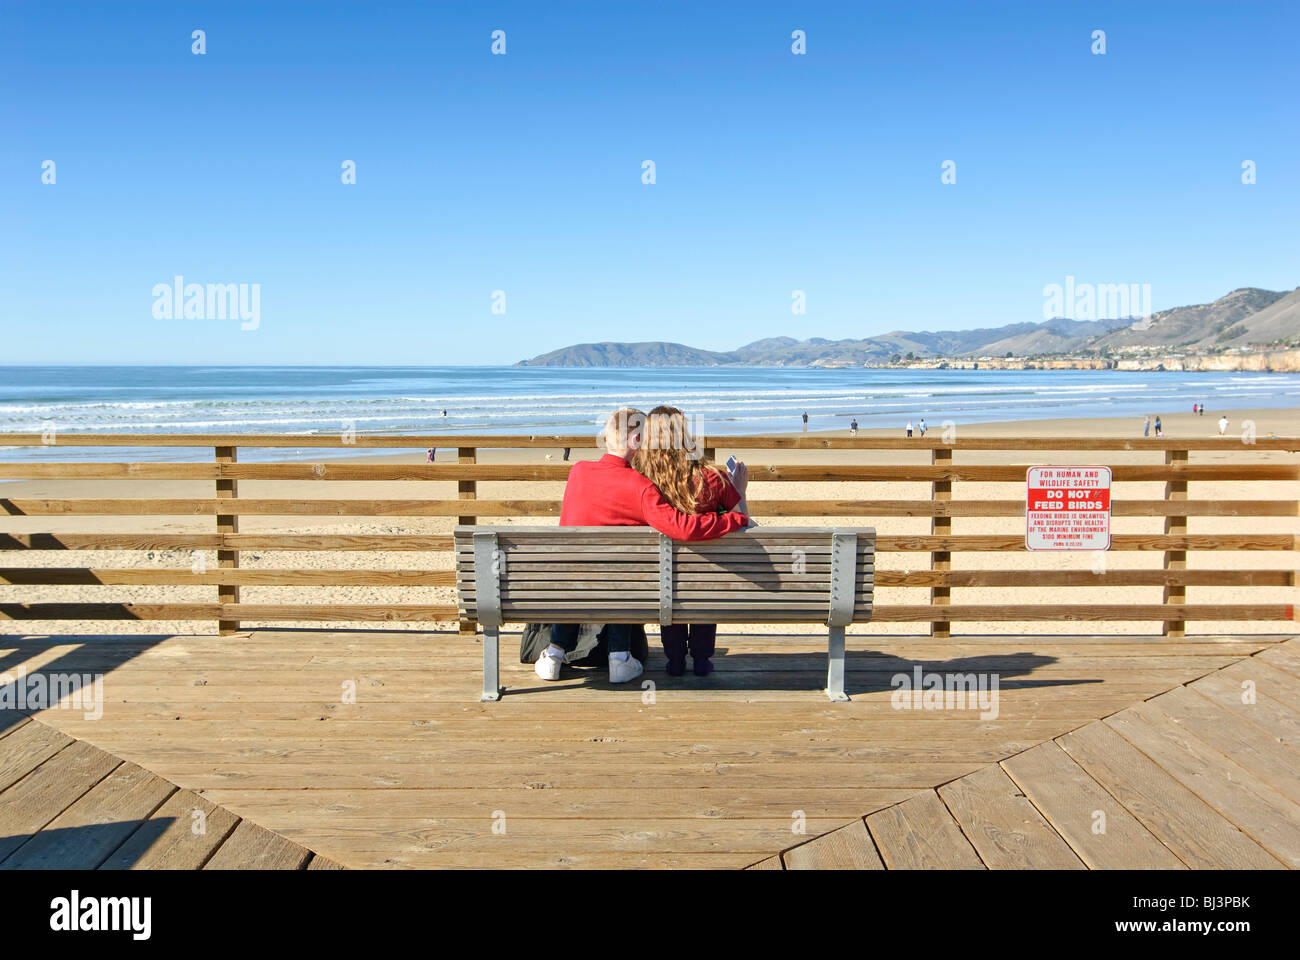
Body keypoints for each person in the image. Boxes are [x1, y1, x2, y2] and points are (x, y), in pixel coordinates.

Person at [535, 408, 749, 684]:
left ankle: (554, 653)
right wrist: (733, 516)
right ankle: (619, 656)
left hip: (570, 585)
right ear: (636, 440)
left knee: (590, 569)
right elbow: (683, 527)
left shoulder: (578, 472)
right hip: (625, 587)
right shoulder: (640, 486)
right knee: (622, 575)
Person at [632, 406, 748, 677]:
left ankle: (674, 658)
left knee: (669, 589)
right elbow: (742, 523)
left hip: (657, 576)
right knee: (704, 582)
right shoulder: (711, 478)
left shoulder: (637, 478)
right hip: (706, 575)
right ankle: (701, 658)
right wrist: (740, 490)